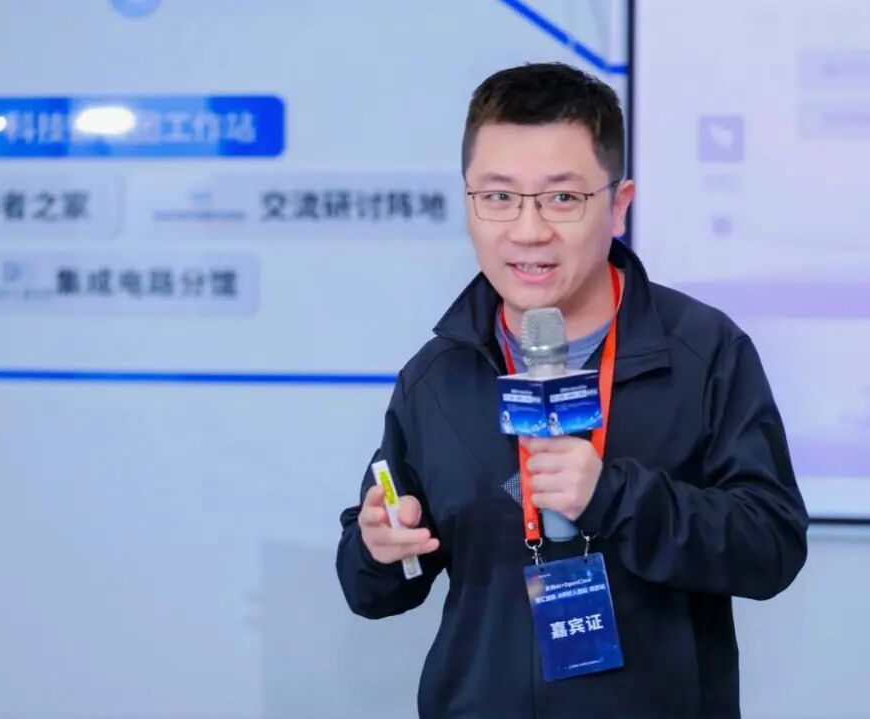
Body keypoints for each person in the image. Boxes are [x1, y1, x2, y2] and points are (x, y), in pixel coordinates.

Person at [336, 61, 808, 719]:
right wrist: (378, 549)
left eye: (562, 199)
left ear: (619, 206)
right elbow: (371, 589)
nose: (528, 231)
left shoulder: (704, 353)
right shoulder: (437, 375)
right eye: (498, 197)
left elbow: (771, 547)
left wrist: (615, 497)